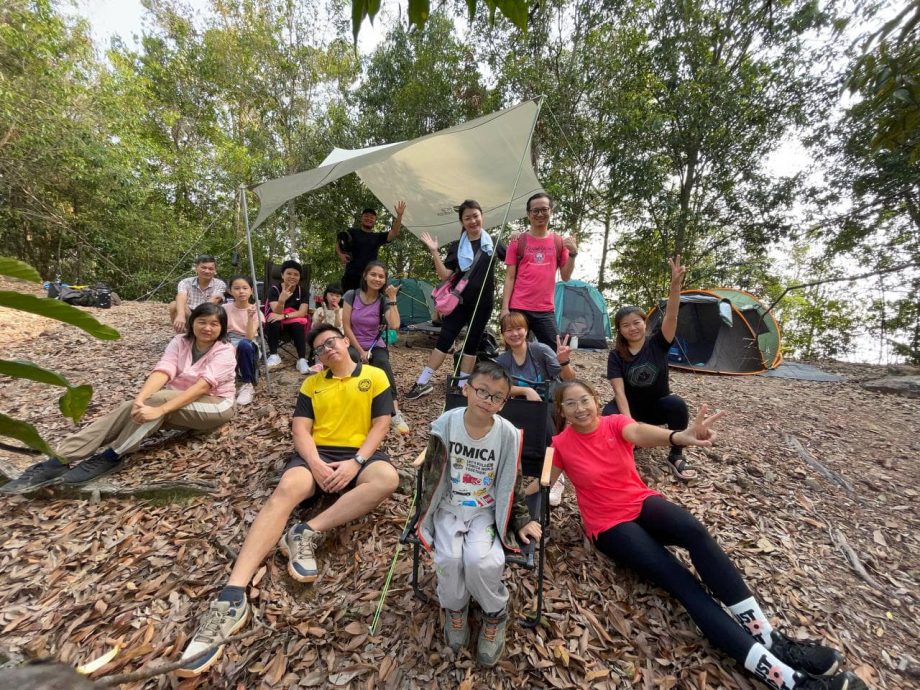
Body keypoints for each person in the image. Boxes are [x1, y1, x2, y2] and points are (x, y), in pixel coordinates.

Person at [547, 379, 868, 690]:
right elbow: (542, 481)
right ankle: (787, 680)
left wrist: (679, 437)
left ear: (594, 399)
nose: (580, 409)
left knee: (694, 531)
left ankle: (769, 638)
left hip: (639, 501)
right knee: (682, 581)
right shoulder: (560, 444)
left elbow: (640, 433)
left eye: (584, 400)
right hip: (608, 525)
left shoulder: (615, 423)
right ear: (561, 411)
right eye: (570, 404)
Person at [178, 324, 400, 677]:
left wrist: (356, 462)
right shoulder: (312, 384)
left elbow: (382, 425)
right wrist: (315, 464)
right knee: (287, 489)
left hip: (360, 455)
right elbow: (300, 430)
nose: (327, 349)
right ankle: (232, 595)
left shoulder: (373, 376)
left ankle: (306, 531)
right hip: (319, 453)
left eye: (331, 342)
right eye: (319, 348)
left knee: (387, 479)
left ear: (345, 341)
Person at [2, 303, 237, 493]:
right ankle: (59, 459)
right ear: (192, 322)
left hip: (216, 405)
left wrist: (159, 409)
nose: (208, 328)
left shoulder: (225, 351)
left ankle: (113, 455)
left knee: (157, 404)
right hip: (177, 399)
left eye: (214, 324)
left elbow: (201, 387)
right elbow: (163, 371)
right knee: (133, 406)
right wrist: (140, 399)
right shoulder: (180, 342)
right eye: (202, 322)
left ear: (222, 328)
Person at [416, 362, 540, 667]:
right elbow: (432, 467)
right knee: (449, 559)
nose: (488, 399)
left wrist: (521, 519)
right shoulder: (447, 422)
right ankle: (455, 609)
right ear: (466, 389)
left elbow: (513, 478)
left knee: (481, 560)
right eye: (482, 391)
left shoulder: (507, 434)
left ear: (504, 402)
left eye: (497, 397)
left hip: (486, 510)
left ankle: (494, 611)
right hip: (448, 505)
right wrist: (420, 505)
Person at [604, 255, 694, 480]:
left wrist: (675, 287)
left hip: (656, 406)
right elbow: (619, 392)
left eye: (637, 322)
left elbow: (672, 315)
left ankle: (676, 454)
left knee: (677, 404)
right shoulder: (616, 355)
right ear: (620, 330)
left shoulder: (659, 343)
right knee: (607, 416)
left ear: (646, 323)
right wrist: (629, 425)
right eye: (626, 325)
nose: (632, 328)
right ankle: (628, 447)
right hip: (630, 407)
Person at [405, 200, 501, 401]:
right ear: (462, 222)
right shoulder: (458, 246)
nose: (473, 221)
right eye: (468, 218)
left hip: (482, 304)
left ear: (482, 216)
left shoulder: (493, 242)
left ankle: (462, 386)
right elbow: (445, 275)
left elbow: (513, 261)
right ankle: (422, 382)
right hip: (459, 303)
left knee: (471, 344)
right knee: (443, 342)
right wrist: (434, 251)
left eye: (476, 216)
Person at [495, 310, 574, 507]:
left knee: (544, 419)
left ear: (526, 330)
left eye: (519, 328)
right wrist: (525, 389)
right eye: (509, 330)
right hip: (521, 403)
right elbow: (499, 387)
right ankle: (513, 469)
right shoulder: (503, 360)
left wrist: (564, 360)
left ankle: (555, 476)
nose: (515, 334)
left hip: (548, 403)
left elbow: (568, 378)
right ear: (503, 334)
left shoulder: (541, 351)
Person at [500, 193, 577, 348]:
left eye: (544, 209)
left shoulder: (559, 242)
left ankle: (552, 374)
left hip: (545, 309)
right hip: (519, 306)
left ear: (551, 211)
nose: (540, 214)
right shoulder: (517, 241)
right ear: (529, 214)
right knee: (515, 351)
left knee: (556, 352)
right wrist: (505, 308)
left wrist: (573, 254)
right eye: (535, 210)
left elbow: (566, 276)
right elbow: (509, 277)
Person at [342, 261, 410, 435]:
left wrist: (393, 299)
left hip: (375, 344)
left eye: (381, 276)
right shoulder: (352, 295)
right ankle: (349, 407)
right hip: (353, 342)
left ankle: (394, 412)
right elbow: (346, 326)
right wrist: (360, 350)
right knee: (351, 361)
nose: (377, 279)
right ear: (365, 275)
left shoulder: (383, 300)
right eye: (373, 274)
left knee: (382, 362)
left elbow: (395, 325)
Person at [336, 201, 406, 293]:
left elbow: (394, 233)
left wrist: (399, 216)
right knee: (347, 303)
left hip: (369, 278)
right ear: (362, 218)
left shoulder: (377, 237)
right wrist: (340, 254)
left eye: (372, 217)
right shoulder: (352, 232)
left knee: (368, 304)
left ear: (375, 221)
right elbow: (339, 241)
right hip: (351, 276)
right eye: (366, 216)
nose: (369, 218)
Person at [264, 259, 311, 374]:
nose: (292, 277)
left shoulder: (302, 291)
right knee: (273, 320)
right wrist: (281, 301)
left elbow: (302, 312)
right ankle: (274, 355)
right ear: (282, 275)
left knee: (297, 325)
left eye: (296, 274)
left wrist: (284, 316)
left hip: (291, 321)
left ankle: (301, 359)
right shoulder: (274, 289)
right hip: (276, 325)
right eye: (289, 273)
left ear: (300, 277)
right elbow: (276, 311)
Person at [223, 275, 264, 406]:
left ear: (251, 290)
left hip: (248, 343)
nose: (241, 291)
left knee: (244, 344)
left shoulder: (256, 311)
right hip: (228, 340)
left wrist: (250, 317)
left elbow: (250, 337)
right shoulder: (224, 309)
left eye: (245, 288)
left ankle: (247, 384)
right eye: (237, 288)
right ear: (230, 291)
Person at [169, 254, 227, 334]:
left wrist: (198, 319)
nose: (207, 271)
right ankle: (182, 336)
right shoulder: (185, 282)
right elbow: (181, 296)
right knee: (174, 305)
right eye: (203, 267)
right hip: (189, 313)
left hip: (208, 314)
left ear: (215, 270)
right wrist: (181, 314)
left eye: (210, 269)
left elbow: (212, 301)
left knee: (213, 311)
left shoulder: (220, 284)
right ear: (196, 268)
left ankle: (197, 334)